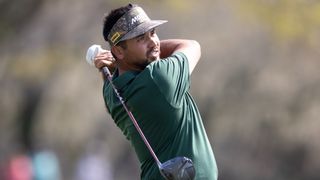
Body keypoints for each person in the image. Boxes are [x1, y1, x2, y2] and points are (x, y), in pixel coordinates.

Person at [93, 3, 218, 180]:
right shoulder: (158, 78)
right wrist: (119, 59)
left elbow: (114, 77)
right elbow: (192, 46)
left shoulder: (110, 92)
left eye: (153, 33)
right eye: (141, 38)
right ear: (119, 50)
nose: (153, 41)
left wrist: (115, 62)